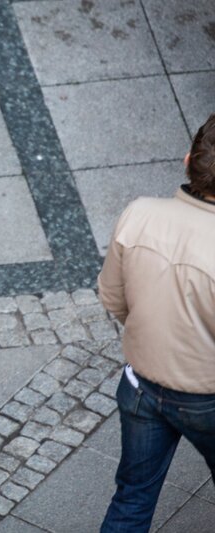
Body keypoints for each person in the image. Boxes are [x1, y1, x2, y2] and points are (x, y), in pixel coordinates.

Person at [98, 114, 215, 532]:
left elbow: (113, 296)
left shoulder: (140, 213)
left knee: (132, 497)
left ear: (188, 160)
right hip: (207, 398)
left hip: (140, 386)